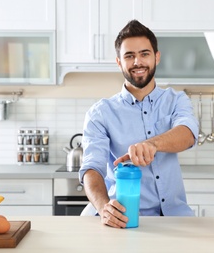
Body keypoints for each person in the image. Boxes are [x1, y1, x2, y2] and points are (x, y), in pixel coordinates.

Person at [79, 20, 199, 228]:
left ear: (156, 57)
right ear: (119, 62)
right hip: (123, 219)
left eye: (144, 54)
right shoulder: (100, 113)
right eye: (129, 56)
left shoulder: (176, 100)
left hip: (176, 220)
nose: (137, 62)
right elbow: (92, 168)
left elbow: (188, 134)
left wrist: (152, 144)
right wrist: (103, 208)